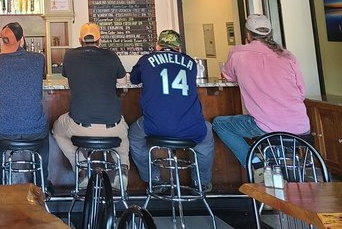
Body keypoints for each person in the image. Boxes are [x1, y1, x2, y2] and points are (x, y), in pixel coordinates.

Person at [213, 14, 311, 169]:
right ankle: (279, 170)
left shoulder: (238, 53)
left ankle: (255, 165)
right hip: (300, 125)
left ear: (248, 34)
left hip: (266, 125)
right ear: (270, 33)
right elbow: (301, 93)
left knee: (220, 124)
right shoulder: (287, 55)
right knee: (275, 142)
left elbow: (227, 77)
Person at [129, 30, 214, 192]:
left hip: (155, 126)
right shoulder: (190, 63)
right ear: (179, 48)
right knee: (206, 134)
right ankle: (201, 182)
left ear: (157, 45)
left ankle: (154, 179)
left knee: (134, 135)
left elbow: (134, 79)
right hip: (191, 126)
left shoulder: (146, 60)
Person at [52, 22, 129, 190]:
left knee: (57, 129)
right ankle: (121, 170)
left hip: (80, 126)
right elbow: (123, 82)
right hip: (112, 126)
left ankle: (82, 169)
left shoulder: (70, 55)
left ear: (80, 40)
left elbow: (66, 79)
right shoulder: (111, 55)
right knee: (123, 137)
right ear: (99, 40)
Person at [0, 22, 49, 186]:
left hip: (5, 131)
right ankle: (41, 184)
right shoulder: (39, 59)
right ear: (22, 39)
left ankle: (1, 185)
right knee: (44, 132)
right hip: (35, 130)